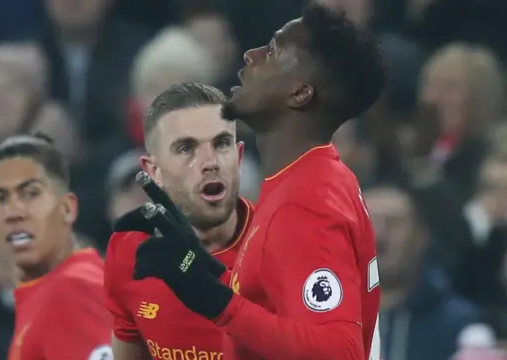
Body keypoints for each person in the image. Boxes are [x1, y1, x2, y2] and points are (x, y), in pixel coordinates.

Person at [114, 2, 386, 359]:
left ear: (300, 93)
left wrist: (214, 300)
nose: (251, 54)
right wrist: (201, 267)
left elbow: (340, 351)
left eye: (273, 51)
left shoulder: (306, 201)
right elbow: (277, 305)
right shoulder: (312, 175)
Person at [105, 82, 254, 360]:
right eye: (186, 148)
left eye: (222, 144)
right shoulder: (130, 252)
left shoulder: (282, 241)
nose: (210, 162)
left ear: (239, 156)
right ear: (154, 172)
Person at [0, 133, 112, 360]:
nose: (14, 212)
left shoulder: (75, 288)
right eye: (0, 198)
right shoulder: (46, 293)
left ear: (67, 209)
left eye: (31, 194)